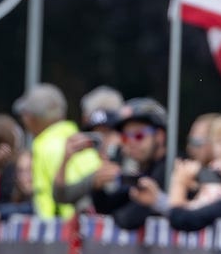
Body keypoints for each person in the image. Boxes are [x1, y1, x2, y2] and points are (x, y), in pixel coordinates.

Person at [16, 83, 97, 218]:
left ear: (31, 118)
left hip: (65, 233)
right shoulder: (75, 137)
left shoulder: (47, 147)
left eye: (24, 115)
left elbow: (56, 199)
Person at [92, 98, 169, 230]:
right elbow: (108, 206)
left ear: (160, 136)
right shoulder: (144, 171)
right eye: (125, 137)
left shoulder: (170, 170)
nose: (131, 142)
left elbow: (127, 218)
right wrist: (97, 187)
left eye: (139, 135)